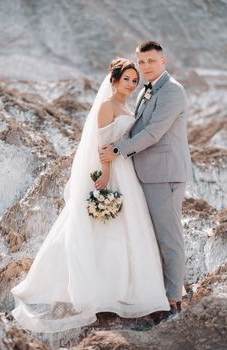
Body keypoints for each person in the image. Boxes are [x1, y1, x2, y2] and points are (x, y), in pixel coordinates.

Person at [11, 58, 170, 333]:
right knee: (104, 226)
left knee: (131, 226)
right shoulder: (108, 106)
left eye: (135, 80)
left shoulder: (124, 104)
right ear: (114, 81)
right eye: (127, 79)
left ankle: (129, 289)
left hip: (126, 170)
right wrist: (105, 173)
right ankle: (100, 289)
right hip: (112, 169)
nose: (131, 84)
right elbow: (101, 143)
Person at [99, 41, 192, 315]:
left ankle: (174, 301)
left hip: (164, 176)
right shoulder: (145, 91)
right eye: (141, 62)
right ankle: (156, 295)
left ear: (163, 61)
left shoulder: (173, 91)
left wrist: (117, 150)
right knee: (150, 238)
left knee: (169, 239)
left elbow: (153, 132)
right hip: (143, 174)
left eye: (151, 61)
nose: (146, 67)